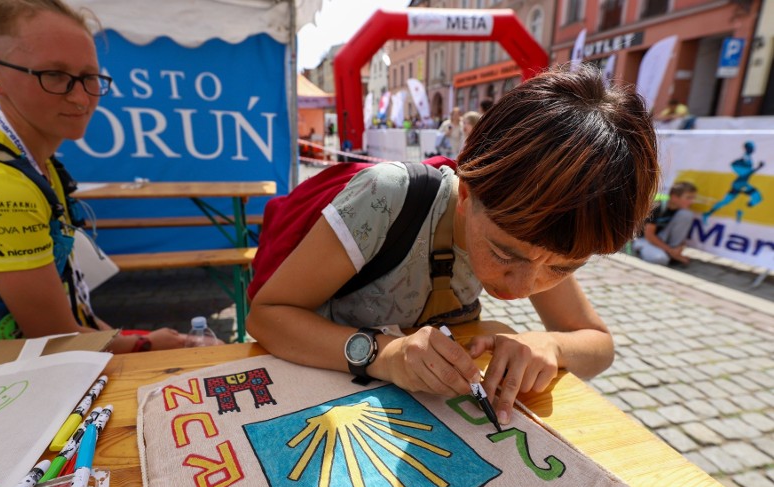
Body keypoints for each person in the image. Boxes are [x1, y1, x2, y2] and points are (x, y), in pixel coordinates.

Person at [247, 65, 659, 426]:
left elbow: (598, 345)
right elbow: (266, 317)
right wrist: (386, 356)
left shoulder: (539, 239)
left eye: (563, 269)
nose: (520, 288)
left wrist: (550, 344)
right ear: (466, 193)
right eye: (502, 254)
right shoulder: (387, 198)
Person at [0, 0, 185, 353]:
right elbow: (55, 338)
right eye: (55, 76)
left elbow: (74, 312)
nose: (80, 97)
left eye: (89, 77)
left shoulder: (26, 163)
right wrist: (149, 344)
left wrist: (135, 341)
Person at [633, 181, 698, 266]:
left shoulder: (680, 211)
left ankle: (670, 253)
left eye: (693, 198)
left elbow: (680, 235)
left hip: (662, 240)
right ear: (674, 197)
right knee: (660, 259)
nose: (691, 201)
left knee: (687, 214)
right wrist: (671, 251)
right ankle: (642, 250)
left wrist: (679, 247)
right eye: (688, 198)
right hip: (645, 240)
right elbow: (649, 235)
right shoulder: (658, 206)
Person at [703, 141, 764, 224]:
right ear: (748, 148)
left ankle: (708, 214)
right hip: (740, 183)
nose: (753, 149)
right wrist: (758, 168)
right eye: (752, 148)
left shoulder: (748, 158)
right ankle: (740, 210)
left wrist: (757, 168)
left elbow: (745, 172)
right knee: (757, 197)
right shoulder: (745, 158)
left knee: (727, 201)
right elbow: (745, 172)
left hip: (740, 183)